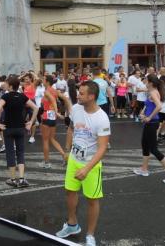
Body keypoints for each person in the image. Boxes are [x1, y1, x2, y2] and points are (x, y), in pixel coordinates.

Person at [56, 81, 109, 246]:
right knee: (70, 192)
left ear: (92, 97)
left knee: (92, 199)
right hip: (74, 159)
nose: (78, 95)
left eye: (82, 93)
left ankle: (90, 235)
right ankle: (72, 225)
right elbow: (71, 128)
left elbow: (102, 149)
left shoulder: (102, 118)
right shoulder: (77, 109)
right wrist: (66, 150)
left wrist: (87, 168)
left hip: (91, 165)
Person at [133, 74, 165, 184]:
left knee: (153, 149)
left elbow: (159, 106)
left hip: (152, 123)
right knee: (145, 145)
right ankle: (144, 169)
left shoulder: (153, 92)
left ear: (151, 83)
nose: (144, 81)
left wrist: (149, 117)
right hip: (149, 122)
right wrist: (143, 113)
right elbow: (149, 105)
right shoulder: (152, 91)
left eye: (146, 80)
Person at [0, 76, 39, 188]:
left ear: (10, 86)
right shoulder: (22, 96)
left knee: (10, 153)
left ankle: (13, 179)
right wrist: (30, 122)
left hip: (8, 128)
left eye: (6, 83)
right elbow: (36, 108)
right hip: (20, 128)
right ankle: (22, 178)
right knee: (20, 153)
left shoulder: (5, 96)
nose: (5, 85)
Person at [40, 75, 68, 168]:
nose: (42, 81)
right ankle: (64, 155)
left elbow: (53, 101)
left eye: (43, 80)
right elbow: (66, 99)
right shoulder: (55, 91)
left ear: (47, 82)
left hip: (47, 115)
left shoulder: (47, 91)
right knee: (52, 138)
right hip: (52, 117)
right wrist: (70, 110)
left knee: (45, 140)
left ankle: (46, 162)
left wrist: (57, 112)